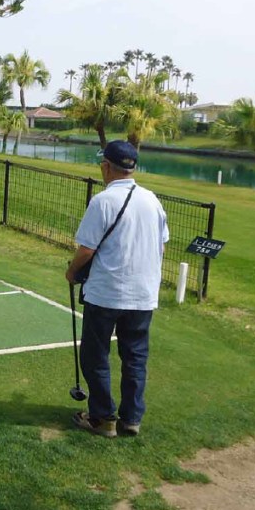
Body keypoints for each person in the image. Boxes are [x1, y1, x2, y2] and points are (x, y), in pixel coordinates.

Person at [64, 140, 169, 438]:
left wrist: (71, 272)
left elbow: (86, 250)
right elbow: (160, 247)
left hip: (107, 293)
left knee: (95, 356)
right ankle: (131, 418)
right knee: (135, 356)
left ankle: (102, 418)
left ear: (107, 166)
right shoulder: (152, 200)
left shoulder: (103, 201)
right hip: (143, 294)